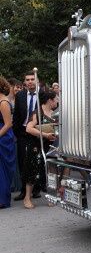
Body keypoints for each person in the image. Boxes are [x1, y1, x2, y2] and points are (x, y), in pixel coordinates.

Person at [23, 90, 58, 209]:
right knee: (33, 170)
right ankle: (27, 197)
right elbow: (28, 128)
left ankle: (51, 195)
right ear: (50, 100)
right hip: (36, 145)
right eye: (56, 99)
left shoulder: (55, 113)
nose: (57, 101)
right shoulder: (37, 112)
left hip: (51, 146)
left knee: (51, 171)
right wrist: (44, 135)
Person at [12, 71, 38, 201]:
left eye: (32, 79)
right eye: (27, 79)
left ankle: (37, 189)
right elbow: (16, 115)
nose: (30, 81)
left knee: (36, 160)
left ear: (36, 80)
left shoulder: (42, 95)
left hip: (37, 132)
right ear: (25, 82)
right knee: (23, 161)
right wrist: (16, 133)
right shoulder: (20, 95)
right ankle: (24, 191)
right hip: (22, 132)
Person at [0, 76, 17, 208]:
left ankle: (3, 200)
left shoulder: (3, 102)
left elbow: (8, 124)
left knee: (2, 170)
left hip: (3, 138)